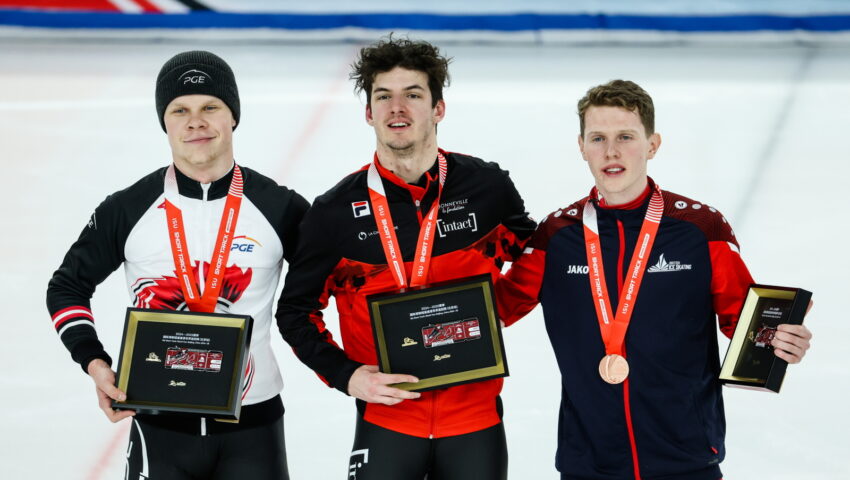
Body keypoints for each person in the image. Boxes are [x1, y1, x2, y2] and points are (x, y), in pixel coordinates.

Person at [496, 79, 813, 480]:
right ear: (581, 147)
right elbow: (496, 311)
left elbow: (743, 321)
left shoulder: (701, 228)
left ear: (652, 144)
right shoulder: (556, 236)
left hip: (688, 459)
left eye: (625, 137)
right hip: (590, 462)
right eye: (598, 138)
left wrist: (782, 340)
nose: (611, 151)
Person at [276, 35, 535, 479]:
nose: (398, 108)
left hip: (476, 420)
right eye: (384, 97)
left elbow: (533, 257)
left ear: (438, 108)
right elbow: (295, 312)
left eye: (413, 95)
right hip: (387, 420)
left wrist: (494, 314)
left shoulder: (487, 189)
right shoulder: (334, 213)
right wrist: (347, 375)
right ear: (368, 112)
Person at [46, 50, 308, 479]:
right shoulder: (127, 208)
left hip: (253, 424)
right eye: (179, 110)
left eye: (211, 107)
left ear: (233, 116)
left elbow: (337, 285)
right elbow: (66, 288)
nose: (195, 121)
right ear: (164, 122)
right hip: (158, 423)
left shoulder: (281, 208)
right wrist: (95, 363)